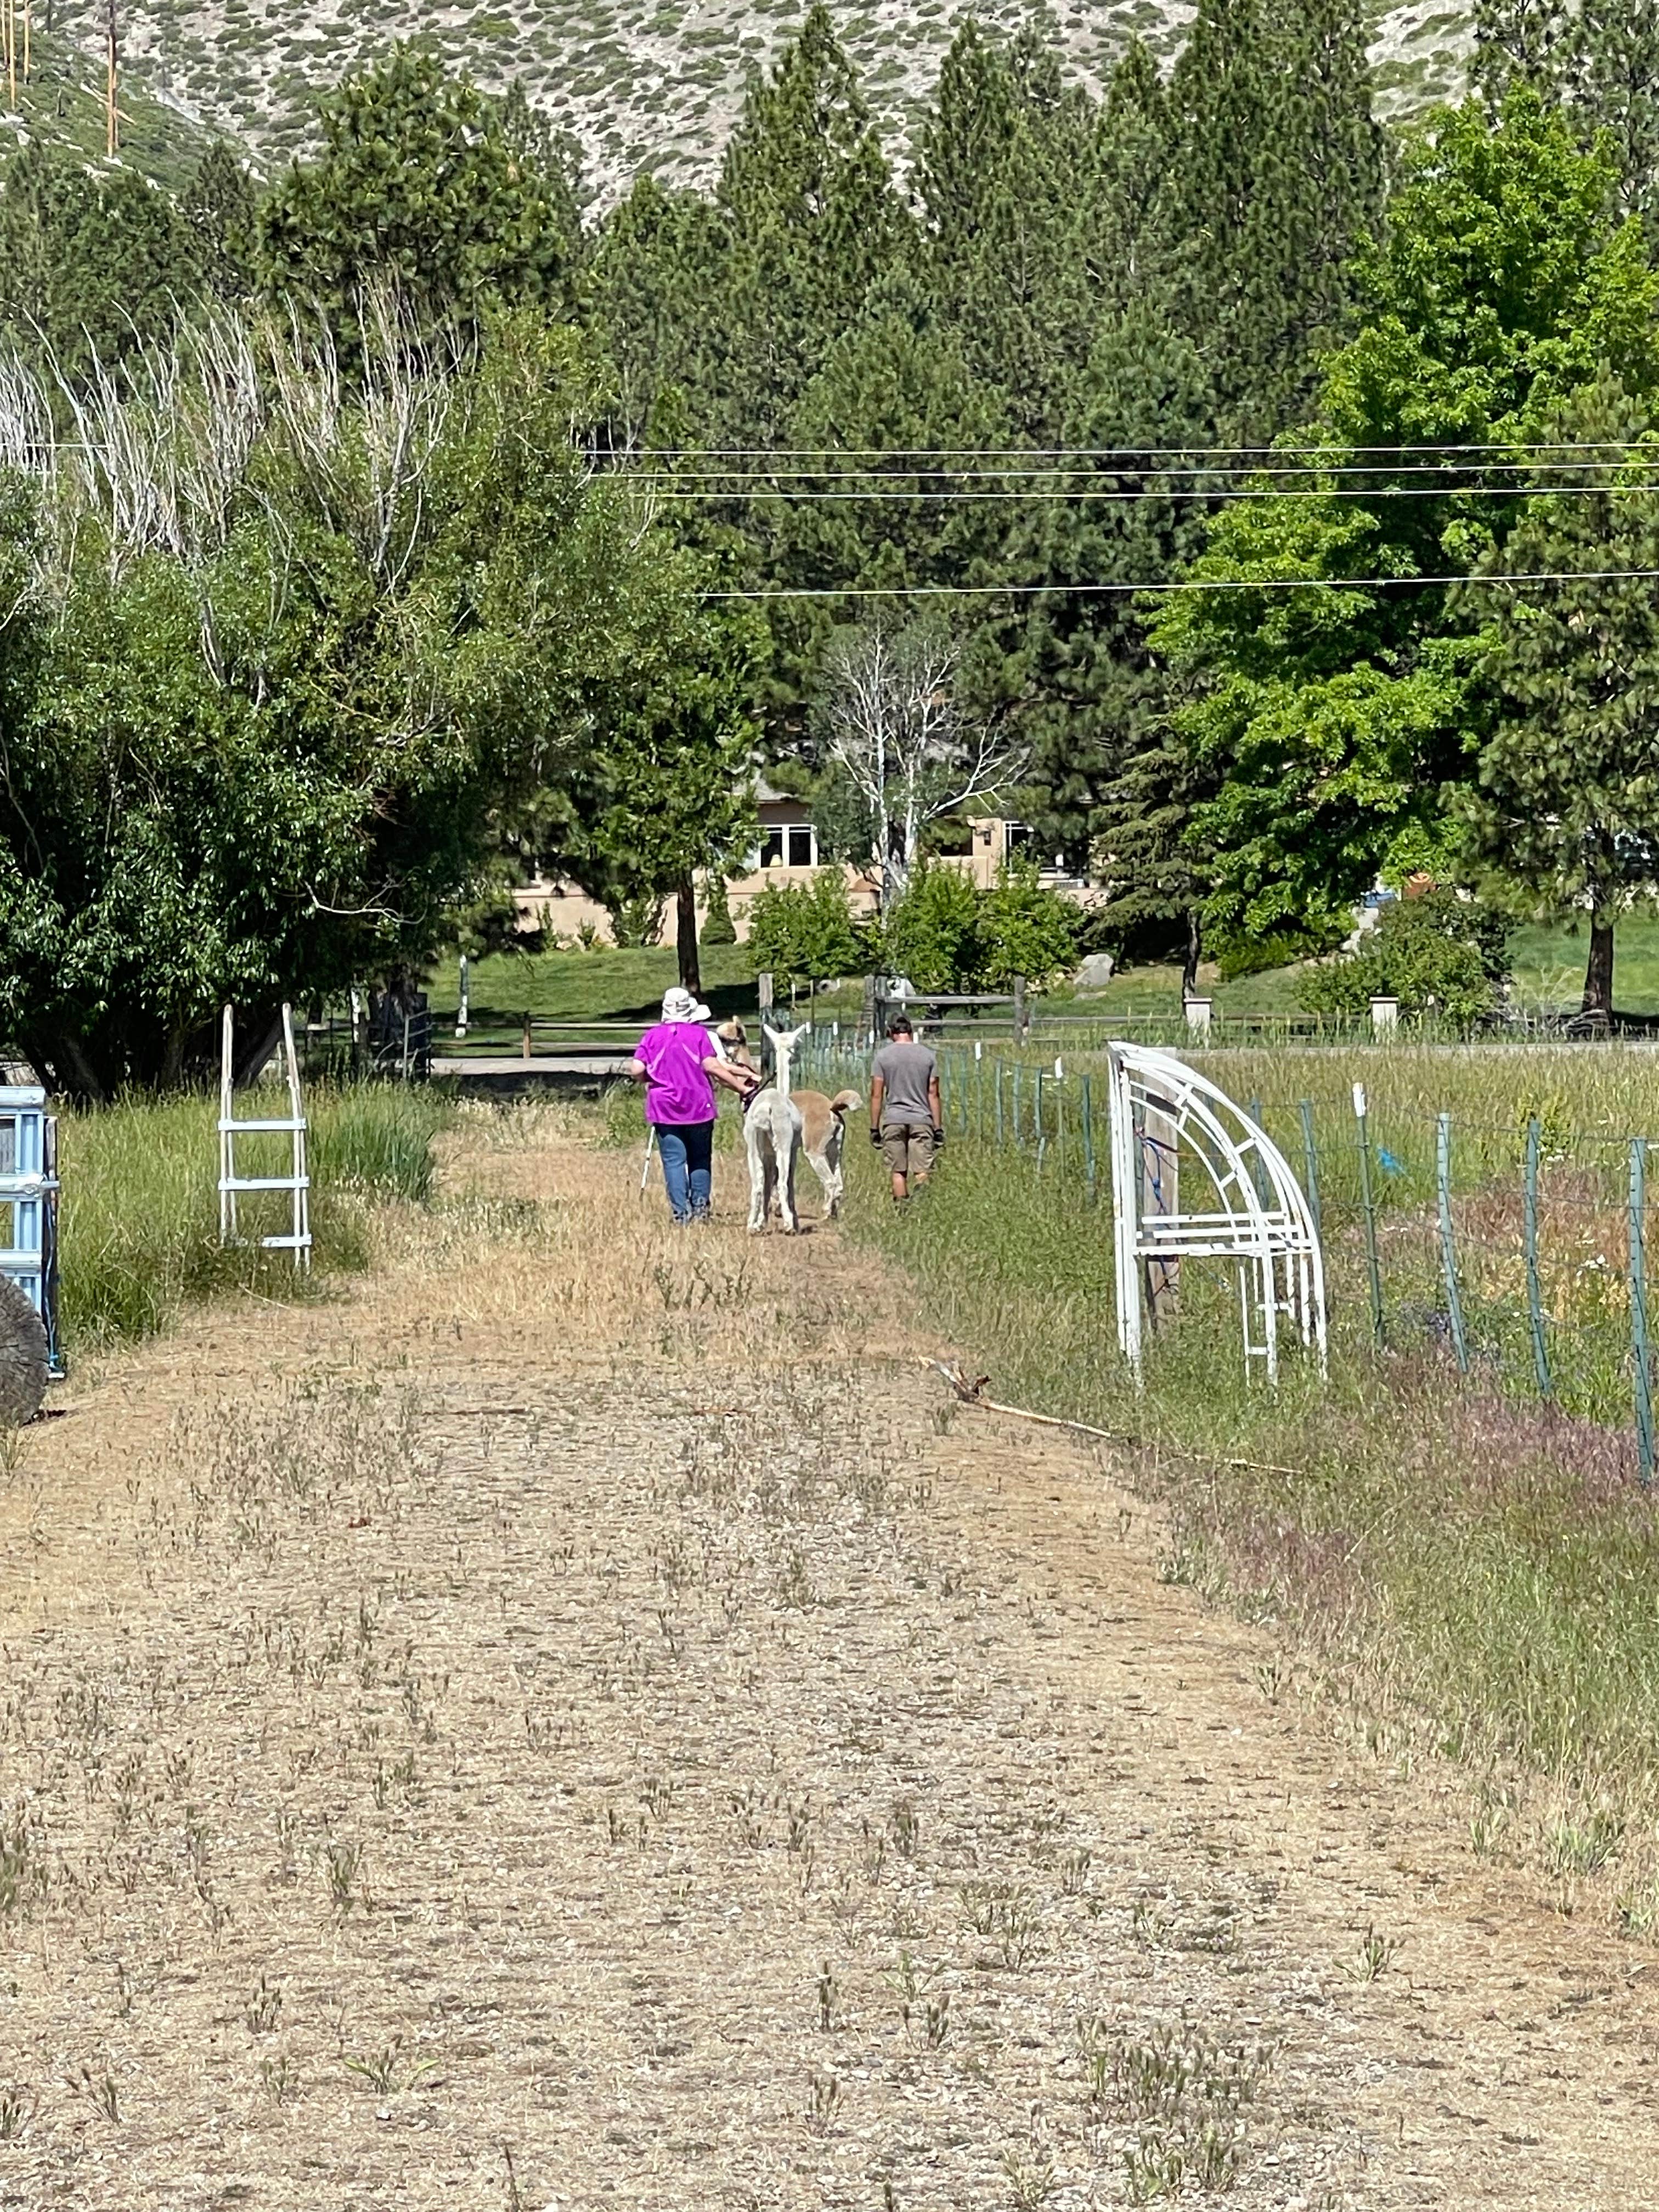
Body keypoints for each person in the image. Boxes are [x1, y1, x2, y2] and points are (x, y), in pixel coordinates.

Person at [626, 988, 757, 1222]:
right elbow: (712, 1066)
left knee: (674, 1161)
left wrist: (650, 1079)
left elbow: (636, 1069)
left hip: (664, 1106)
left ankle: (681, 1214)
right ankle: (700, 1208)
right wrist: (742, 1088)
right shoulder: (699, 1035)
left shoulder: (652, 1036)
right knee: (700, 1158)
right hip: (698, 1104)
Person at [869, 1013, 943, 1203]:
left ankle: (903, 1210)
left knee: (898, 1171)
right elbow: (933, 1093)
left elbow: (876, 1095)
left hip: (894, 1119)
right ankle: (922, 1205)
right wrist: (938, 1128)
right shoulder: (928, 1056)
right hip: (922, 1119)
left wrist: (874, 1128)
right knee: (923, 1170)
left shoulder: (882, 1057)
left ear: (891, 1032)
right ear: (910, 1031)